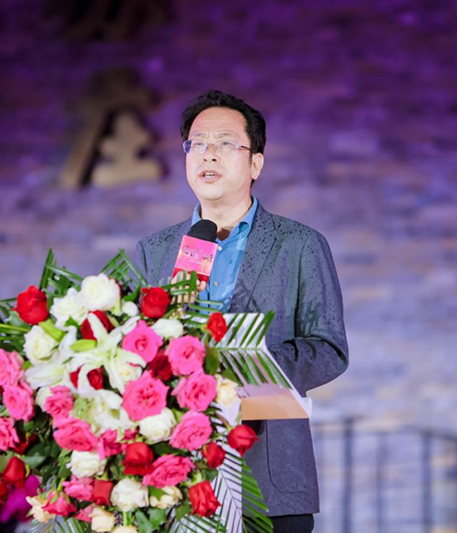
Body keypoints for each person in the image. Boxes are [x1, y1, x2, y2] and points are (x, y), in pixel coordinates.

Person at [133, 89, 349, 533]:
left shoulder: (299, 245)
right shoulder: (155, 250)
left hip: (269, 480)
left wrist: (237, 371)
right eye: (197, 143)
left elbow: (329, 349)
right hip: (175, 480)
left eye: (225, 143)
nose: (208, 153)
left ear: (255, 164)